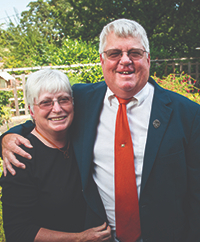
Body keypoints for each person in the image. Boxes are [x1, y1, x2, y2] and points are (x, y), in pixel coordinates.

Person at [1, 18, 200, 242]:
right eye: (115, 53)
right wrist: (7, 137)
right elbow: (49, 116)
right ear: (102, 60)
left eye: (134, 53)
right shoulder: (84, 100)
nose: (125, 61)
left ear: (148, 58)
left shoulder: (188, 115)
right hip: (100, 236)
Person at [0, 69, 111, 242]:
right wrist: (79, 238)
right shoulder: (20, 158)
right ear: (31, 110)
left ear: (73, 103)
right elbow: (19, 232)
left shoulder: (81, 138)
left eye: (63, 100)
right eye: (45, 103)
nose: (57, 109)